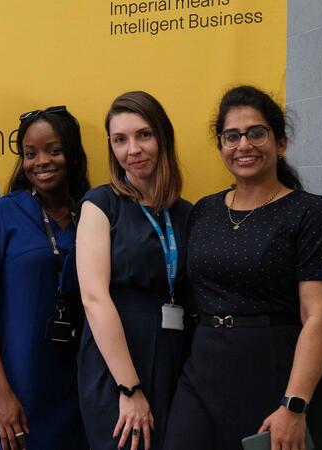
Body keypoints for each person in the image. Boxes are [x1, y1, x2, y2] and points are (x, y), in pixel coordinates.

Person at [163, 86, 322, 450]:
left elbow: (319, 318)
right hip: (202, 374)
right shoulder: (204, 211)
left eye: (256, 133)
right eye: (231, 136)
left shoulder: (309, 214)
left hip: (274, 378)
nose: (243, 145)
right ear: (221, 146)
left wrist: (294, 406)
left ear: (280, 142)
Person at [0, 106, 90, 450]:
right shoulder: (2, 214)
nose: (41, 161)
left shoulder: (92, 215)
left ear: (73, 154)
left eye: (54, 150)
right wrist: (1, 394)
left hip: (77, 387)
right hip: (17, 388)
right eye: (30, 153)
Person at [75, 91, 193, 450]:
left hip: (176, 356)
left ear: (163, 137)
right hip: (116, 362)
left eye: (144, 135)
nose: (133, 149)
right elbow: (94, 298)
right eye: (120, 140)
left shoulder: (186, 212)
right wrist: (129, 387)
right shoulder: (100, 204)